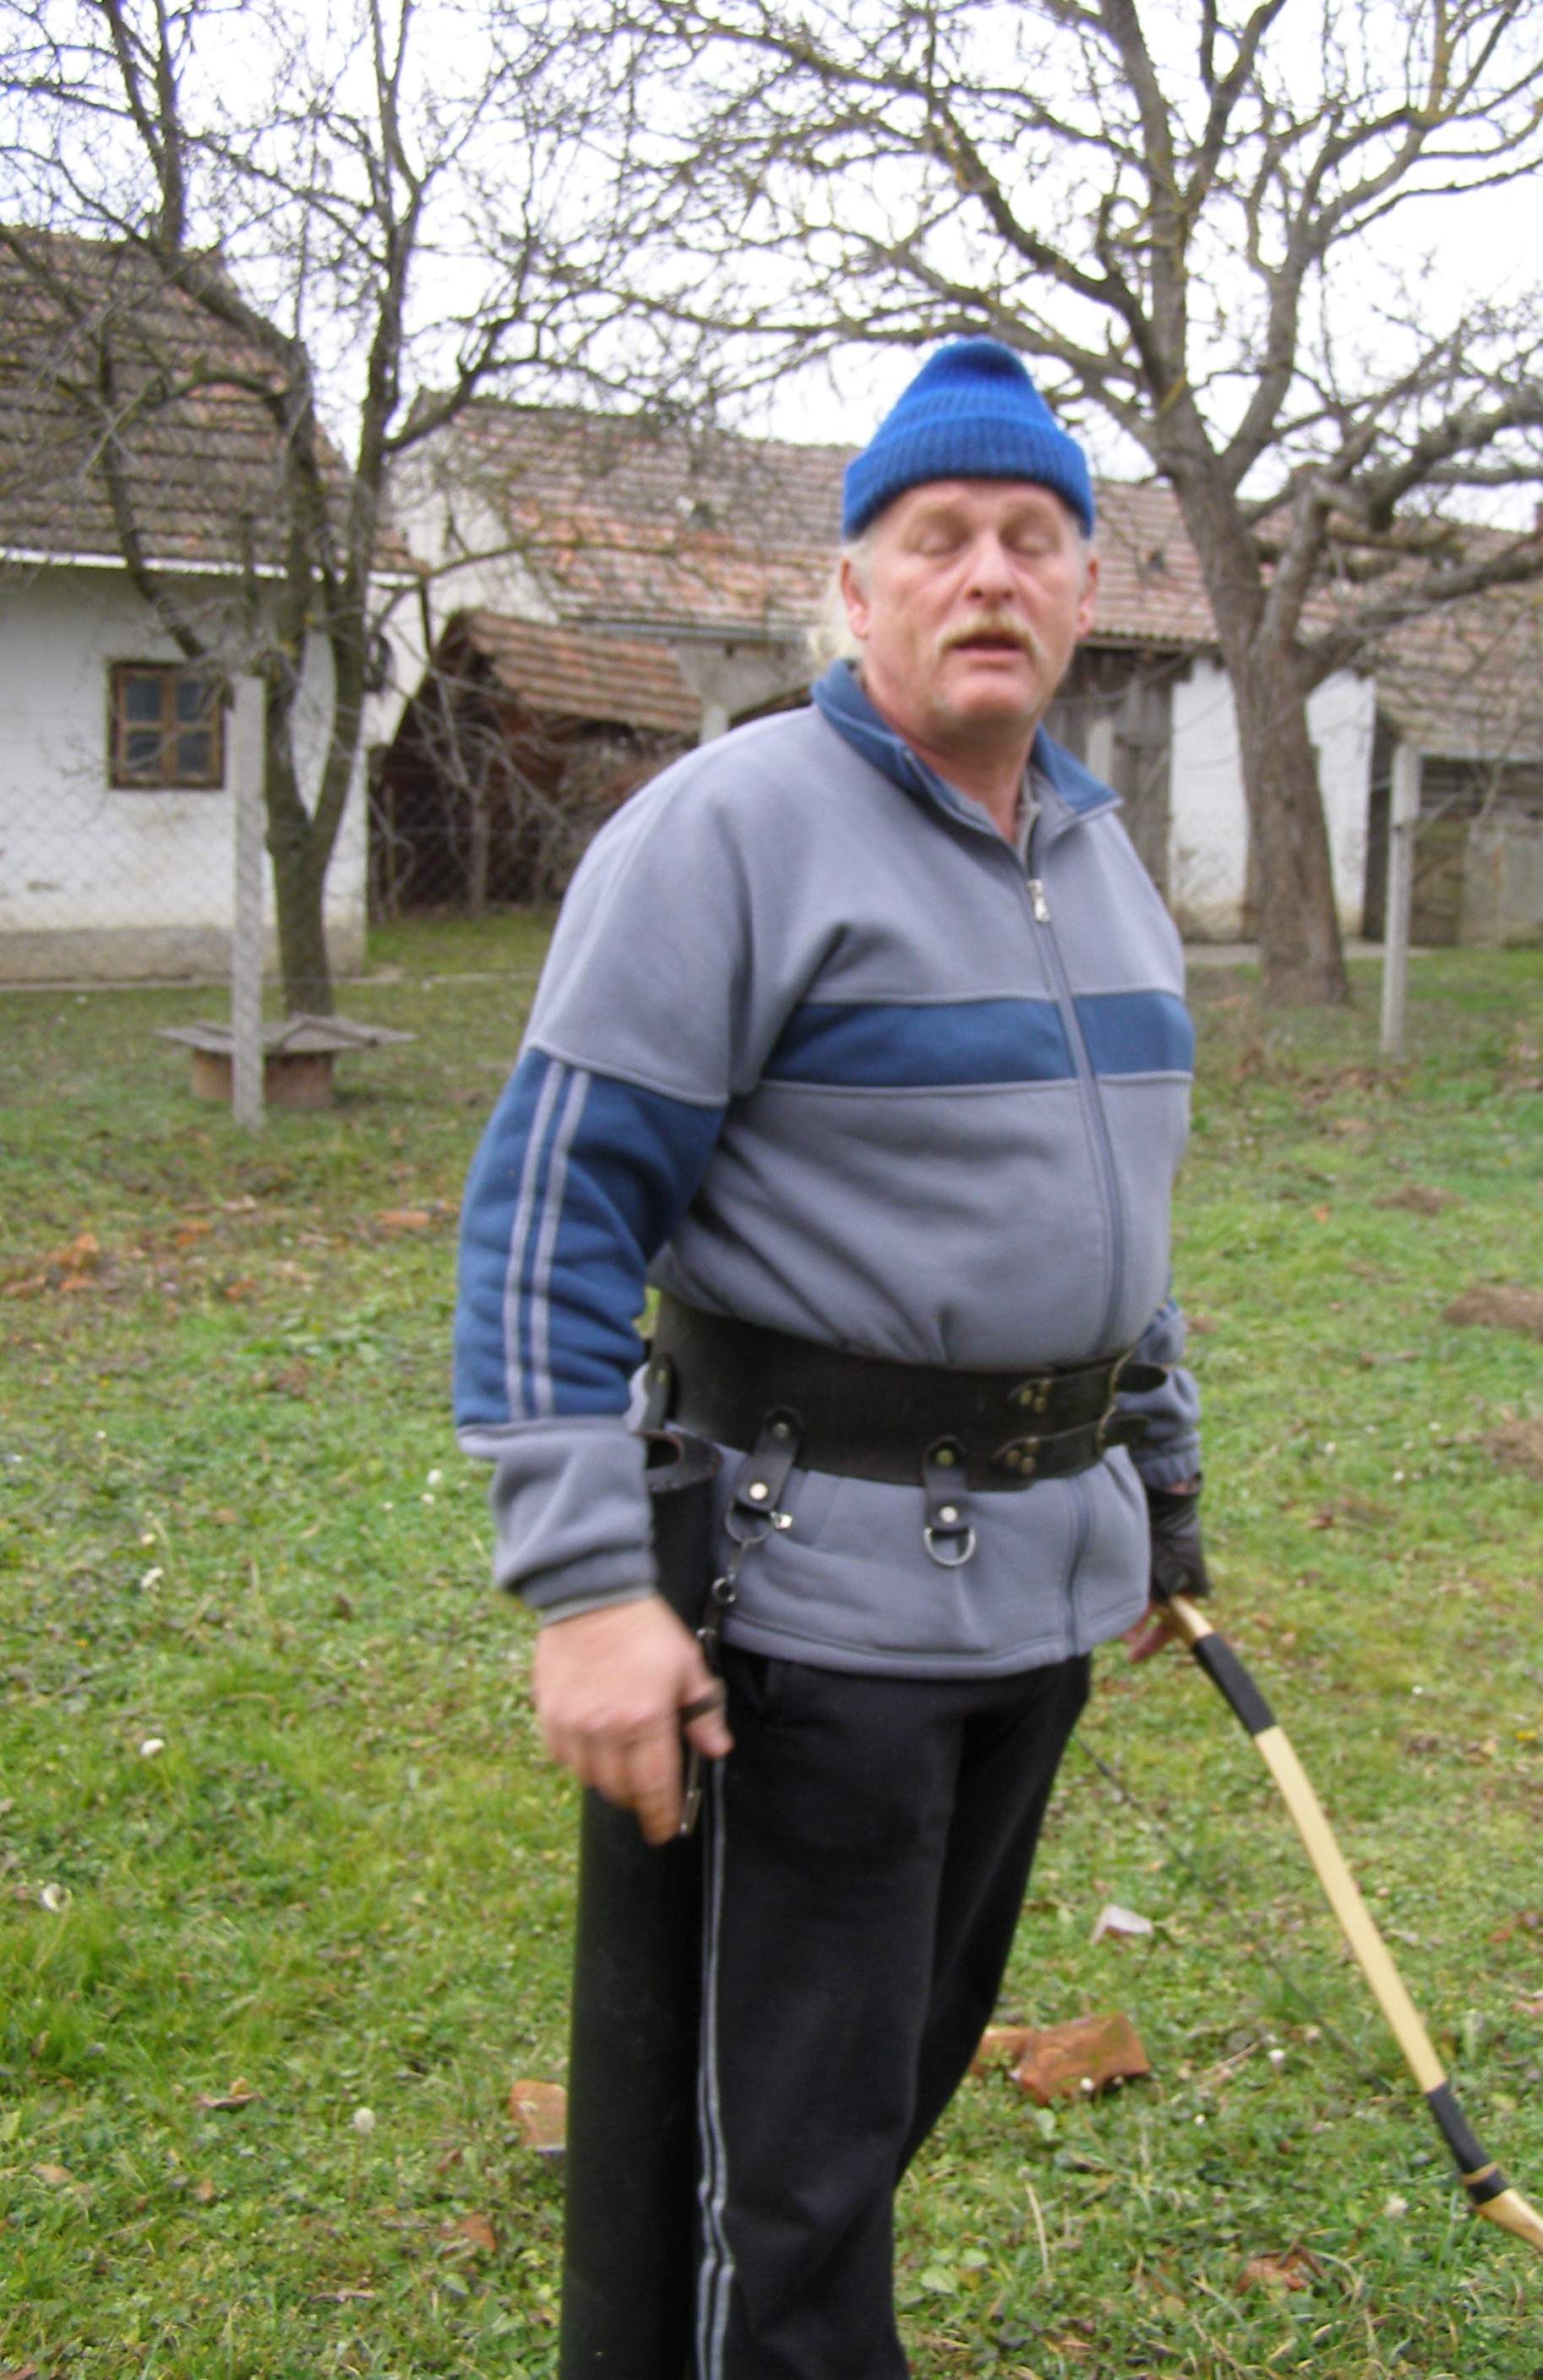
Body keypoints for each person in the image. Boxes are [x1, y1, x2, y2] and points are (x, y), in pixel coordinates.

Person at [454, 337, 1209, 2380]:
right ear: (854, 585)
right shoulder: (725, 831)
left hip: (1035, 1603)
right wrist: (587, 1586)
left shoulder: (1099, 857)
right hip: (814, 1616)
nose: (989, 574)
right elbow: (546, 1223)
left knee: (869, 2115)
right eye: (937, 537)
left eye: (1032, 537)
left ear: (1086, 588)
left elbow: (1111, 1227)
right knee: (778, 2180)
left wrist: (1163, 1488)